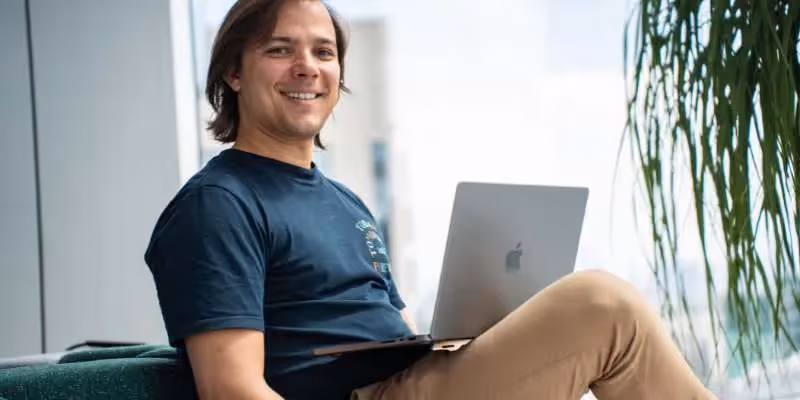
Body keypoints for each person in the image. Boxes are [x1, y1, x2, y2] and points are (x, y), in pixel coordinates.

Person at [144, 0, 718, 399]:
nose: (307, 68)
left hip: (416, 381)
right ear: (233, 74)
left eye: (323, 52)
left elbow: (392, 325)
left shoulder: (344, 203)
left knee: (603, 322)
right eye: (279, 49)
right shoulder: (219, 203)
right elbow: (230, 388)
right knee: (603, 303)